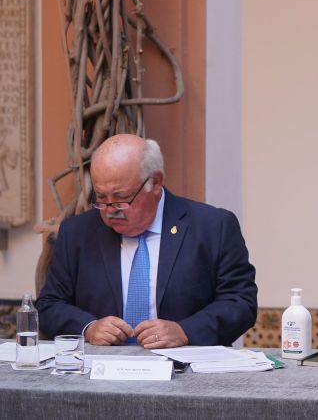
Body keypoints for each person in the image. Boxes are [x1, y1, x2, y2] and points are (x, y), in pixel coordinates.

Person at [38, 134, 257, 348]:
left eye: (122, 197)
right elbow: (49, 305)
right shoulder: (77, 232)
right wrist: (89, 328)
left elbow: (241, 303)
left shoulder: (212, 227)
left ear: (156, 182)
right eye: (101, 197)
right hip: (100, 373)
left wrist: (185, 331)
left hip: (188, 375)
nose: (110, 210)